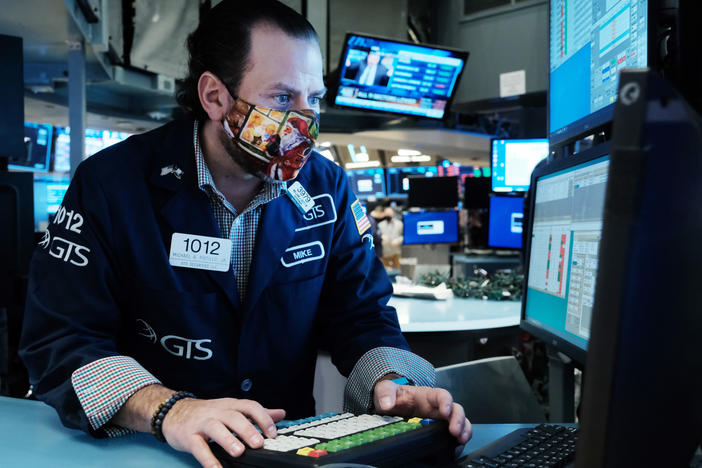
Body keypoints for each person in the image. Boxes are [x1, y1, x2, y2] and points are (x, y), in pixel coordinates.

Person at [18, 2, 471, 468]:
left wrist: (391, 382)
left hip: (286, 453)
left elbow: (361, 314)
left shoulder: (326, 188)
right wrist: (169, 409)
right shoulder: (111, 185)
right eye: (282, 99)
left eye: (312, 99)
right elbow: (60, 339)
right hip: (147, 451)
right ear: (215, 96)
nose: (305, 124)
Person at [378, 206, 404, 270]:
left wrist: (398, 240)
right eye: (386, 213)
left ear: (392, 213)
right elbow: (377, 236)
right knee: (385, 273)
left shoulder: (399, 224)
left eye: (389, 213)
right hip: (384, 253)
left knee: (397, 272)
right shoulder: (380, 225)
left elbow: (403, 236)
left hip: (396, 252)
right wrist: (381, 237)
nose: (388, 215)